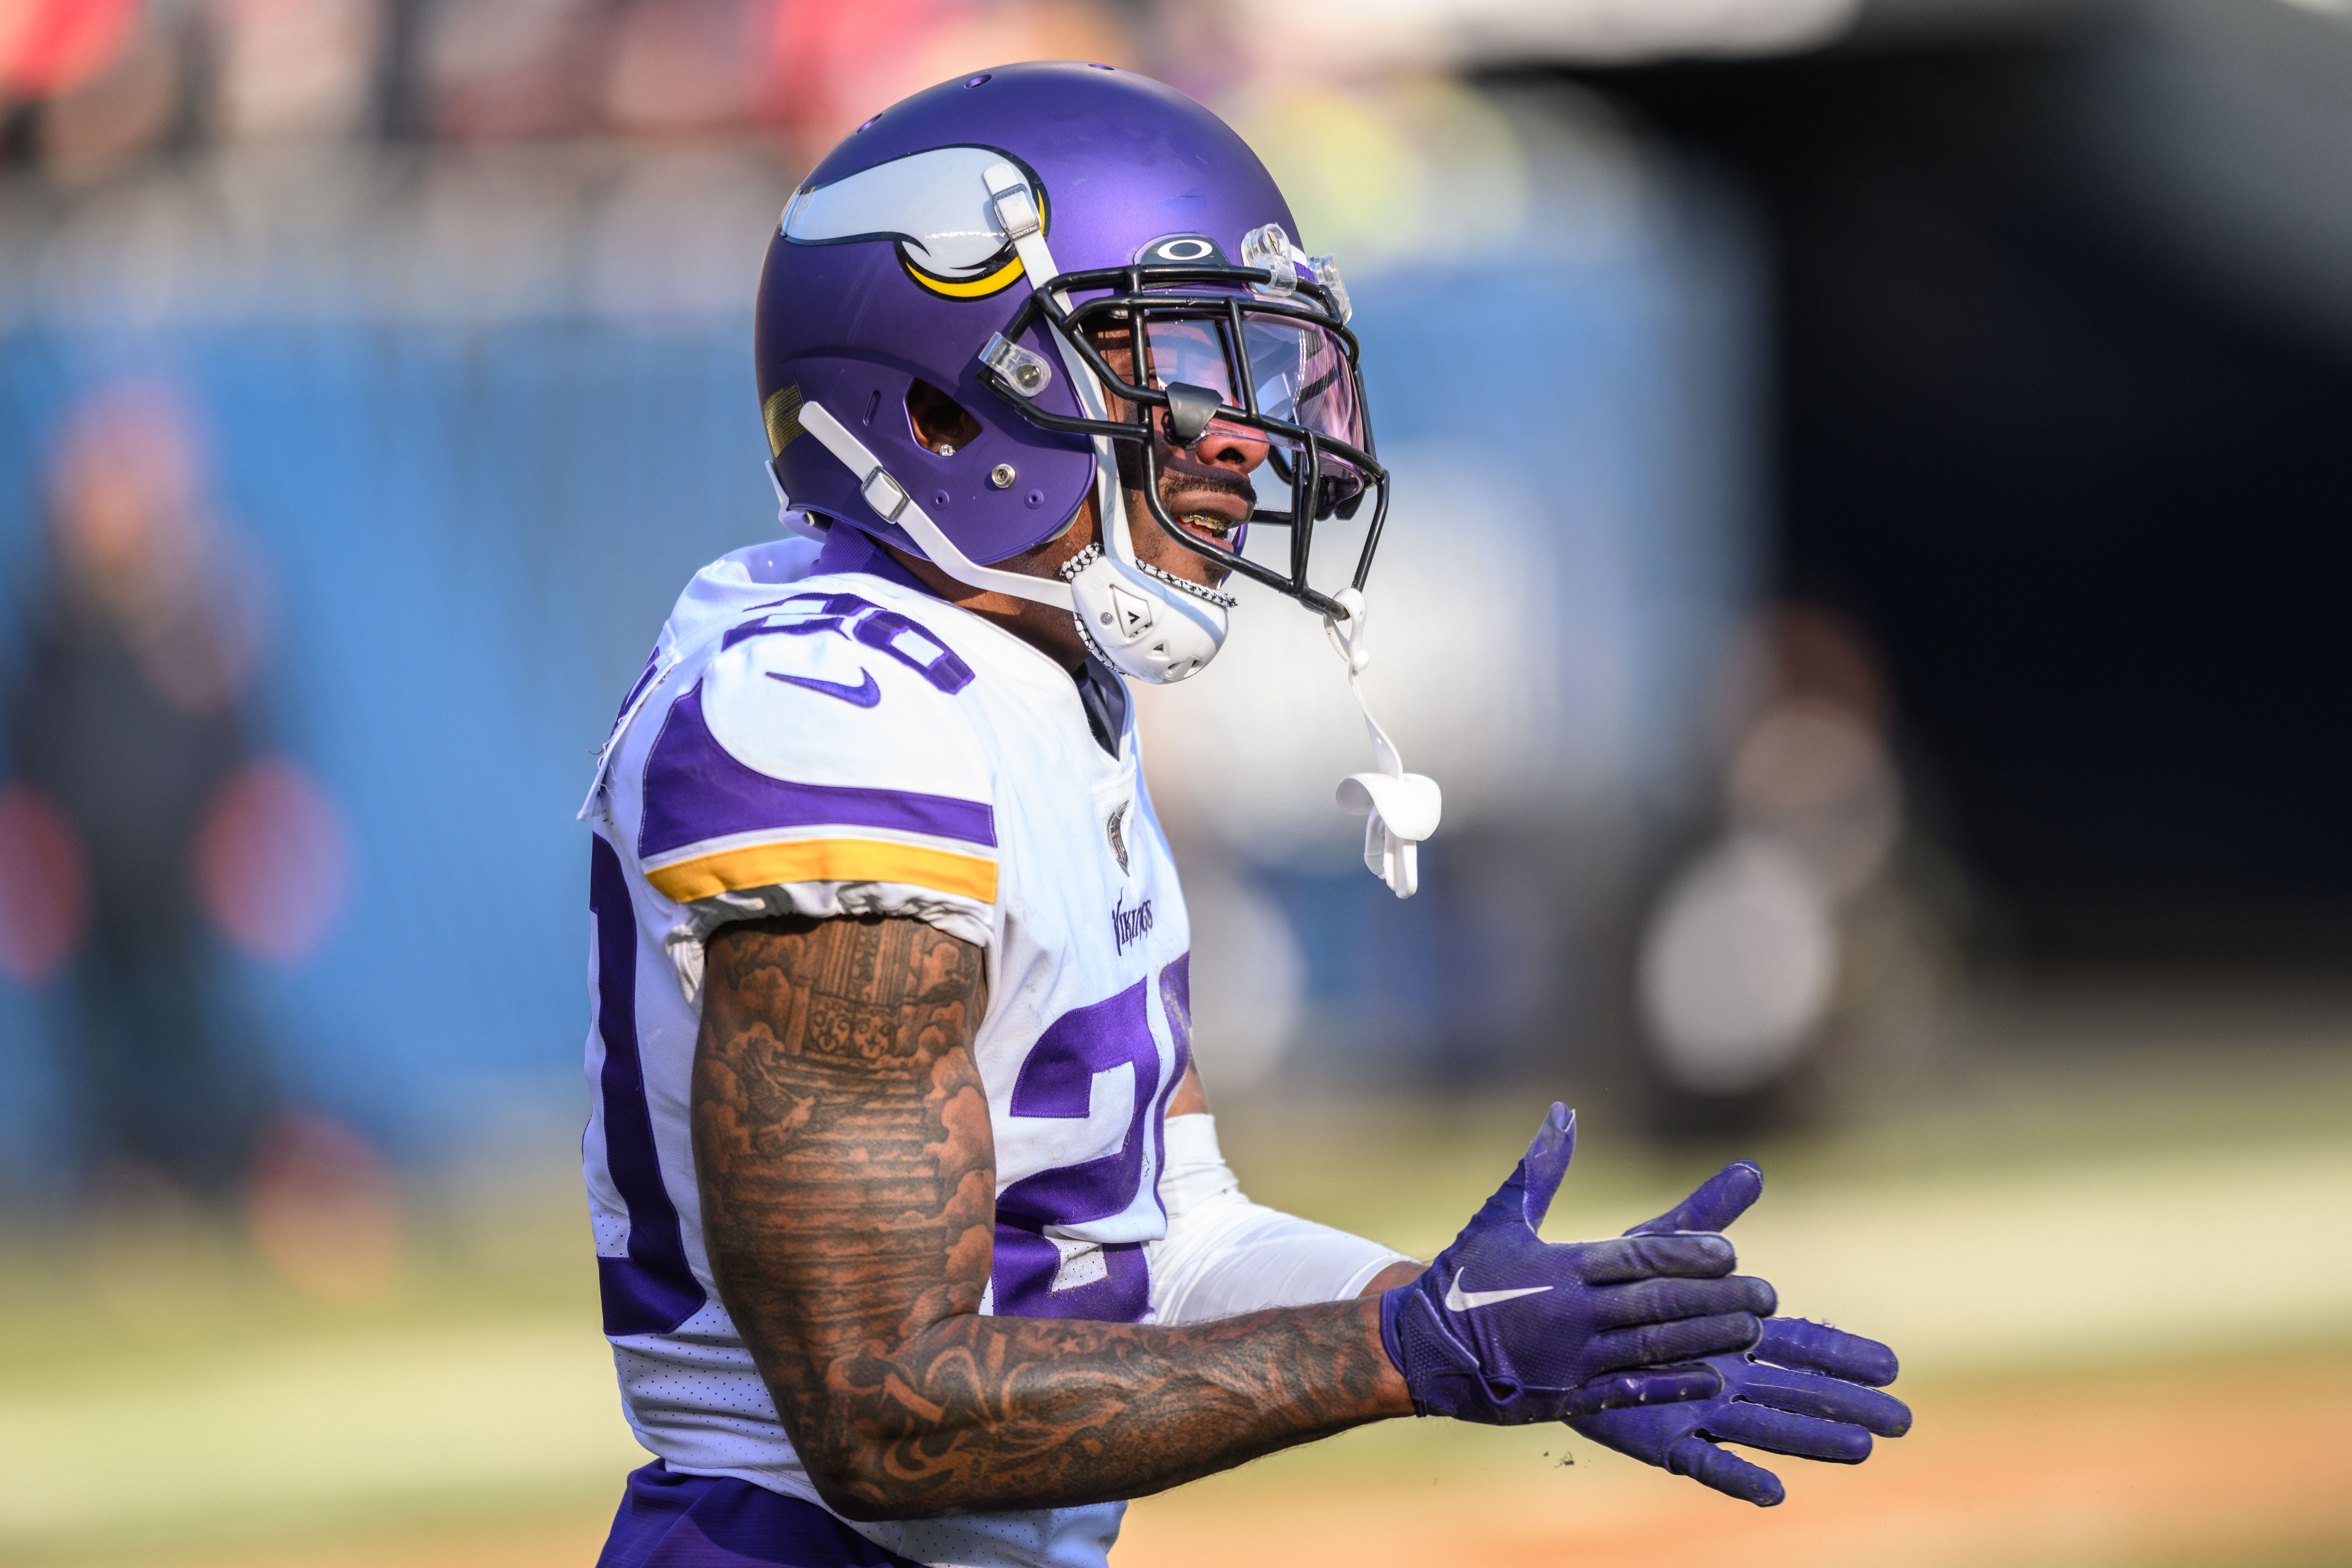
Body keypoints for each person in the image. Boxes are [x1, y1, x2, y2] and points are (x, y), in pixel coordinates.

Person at [579, 62, 1909, 1568]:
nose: (1243, 443)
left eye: (1258, 379)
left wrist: (1488, 1316)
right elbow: (887, 1408)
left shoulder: (1031, 682)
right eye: (1180, 371)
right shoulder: (832, 718)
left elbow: (1170, 1235)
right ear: (950, 401)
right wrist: (1407, 1350)